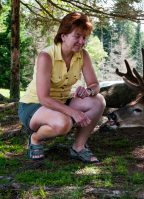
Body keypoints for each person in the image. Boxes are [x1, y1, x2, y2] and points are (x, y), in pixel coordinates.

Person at [18, 12, 106, 163]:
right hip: (34, 106)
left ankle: (78, 147)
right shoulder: (46, 56)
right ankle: (35, 138)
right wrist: (74, 113)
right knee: (64, 122)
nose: (81, 41)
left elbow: (95, 85)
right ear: (63, 35)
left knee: (98, 101)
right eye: (77, 36)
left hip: (62, 102)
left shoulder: (82, 55)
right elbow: (44, 98)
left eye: (84, 37)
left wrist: (88, 91)